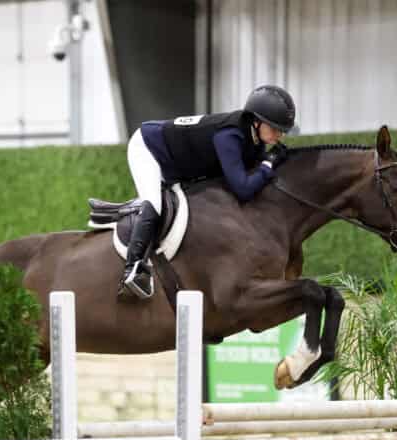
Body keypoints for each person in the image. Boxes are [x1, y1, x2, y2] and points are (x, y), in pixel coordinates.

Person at [118, 84, 297, 299]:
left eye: (282, 130)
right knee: (154, 204)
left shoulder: (254, 139)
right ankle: (133, 268)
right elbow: (243, 189)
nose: (280, 135)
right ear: (256, 121)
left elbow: (252, 178)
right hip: (149, 148)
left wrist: (269, 164)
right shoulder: (229, 136)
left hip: (177, 165)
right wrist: (268, 166)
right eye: (275, 128)